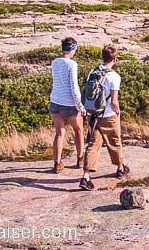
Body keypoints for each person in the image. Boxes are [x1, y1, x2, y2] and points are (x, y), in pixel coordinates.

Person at [80, 44, 130, 191]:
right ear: (115, 58)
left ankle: (86, 176)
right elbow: (114, 101)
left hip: (93, 114)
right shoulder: (114, 76)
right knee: (115, 142)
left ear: (102, 57)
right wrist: (118, 112)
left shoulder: (92, 72)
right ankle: (120, 168)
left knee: (93, 144)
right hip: (108, 115)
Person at [49, 37, 86, 174]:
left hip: (55, 101)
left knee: (59, 133)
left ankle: (57, 163)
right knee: (78, 130)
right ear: (73, 49)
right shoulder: (72, 64)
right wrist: (80, 106)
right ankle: (80, 158)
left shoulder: (55, 62)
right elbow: (74, 87)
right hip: (69, 104)